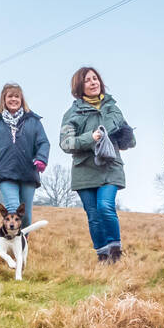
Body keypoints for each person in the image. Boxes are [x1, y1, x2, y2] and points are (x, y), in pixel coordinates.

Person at [61, 65, 130, 264]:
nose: (93, 83)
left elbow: (127, 139)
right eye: (88, 80)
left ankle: (115, 252)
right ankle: (102, 256)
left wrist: (127, 137)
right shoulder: (71, 114)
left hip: (110, 166)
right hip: (84, 170)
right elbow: (66, 143)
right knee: (93, 215)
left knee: (105, 206)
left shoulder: (113, 107)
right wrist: (90, 138)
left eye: (95, 79)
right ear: (79, 87)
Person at [0, 83, 49, 227]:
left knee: (25, 216)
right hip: (5, 174)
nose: (13, 99)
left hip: (28, 173)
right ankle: (11, 247)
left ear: (22, 99)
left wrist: (41, 158)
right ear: (4, 99)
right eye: (10, 96)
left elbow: (43, 143)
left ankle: (22, 245)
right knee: (13, 211)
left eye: (17, 96)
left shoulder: (33, 121)